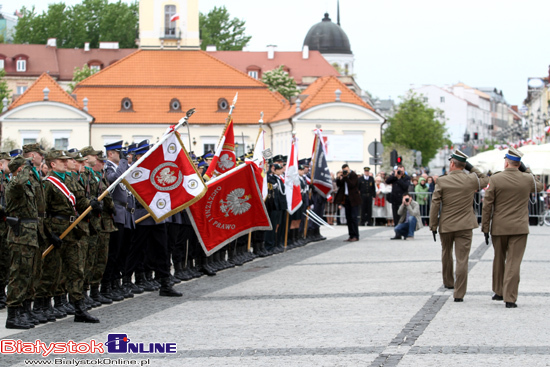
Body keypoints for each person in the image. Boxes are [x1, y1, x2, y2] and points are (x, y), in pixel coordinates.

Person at [481, 147, 542, 308]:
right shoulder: (527, 179)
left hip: (499, 226)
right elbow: (540, 186)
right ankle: (510, 297)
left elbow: (487, 205)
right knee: (514, 262)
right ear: (519, 164)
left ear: (506, 162)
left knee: (499, 258)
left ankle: (498, 291)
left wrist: (485, 228)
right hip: (519, 227)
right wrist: (526, 169)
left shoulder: (495, 179)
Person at [429, 149, 489, 302]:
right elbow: (486, 179)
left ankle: (448, 282)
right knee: (462, 259)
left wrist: (433, 225)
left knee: (446, 253)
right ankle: (459, 293)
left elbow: (435, 203)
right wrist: (471, 168)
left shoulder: (442, 180)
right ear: (463, 165)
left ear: (451, 163)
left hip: (447, 224)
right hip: (465, 224)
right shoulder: (471, 179)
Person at [335, 164, 360, 242]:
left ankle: (356, 235)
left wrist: (345, 177)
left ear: (349, 169)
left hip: (354, 199)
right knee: (348, 218)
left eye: (346, 170)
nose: (345, 171)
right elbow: (340, 185)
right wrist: (339, 177)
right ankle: (351, 235)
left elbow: (352, 185)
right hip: (346, 199)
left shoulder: (353, 175)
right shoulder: (344, 176)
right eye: (344, 170)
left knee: (353, 218)